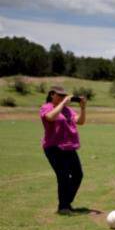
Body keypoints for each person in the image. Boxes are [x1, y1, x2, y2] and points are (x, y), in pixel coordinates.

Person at [40, 86, 86, 215]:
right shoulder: (46, 107)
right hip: (54, 147)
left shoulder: (68, 110)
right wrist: (62, 104)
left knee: (78, 175)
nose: (62, 97)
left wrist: (83, 107)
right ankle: (63, 207)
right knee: (63, 176)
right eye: (59, 95)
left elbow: (80, 122)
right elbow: (50, 117)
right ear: (52, 94)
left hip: (69, 146)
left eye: (64, 95)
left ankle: (66, 202)